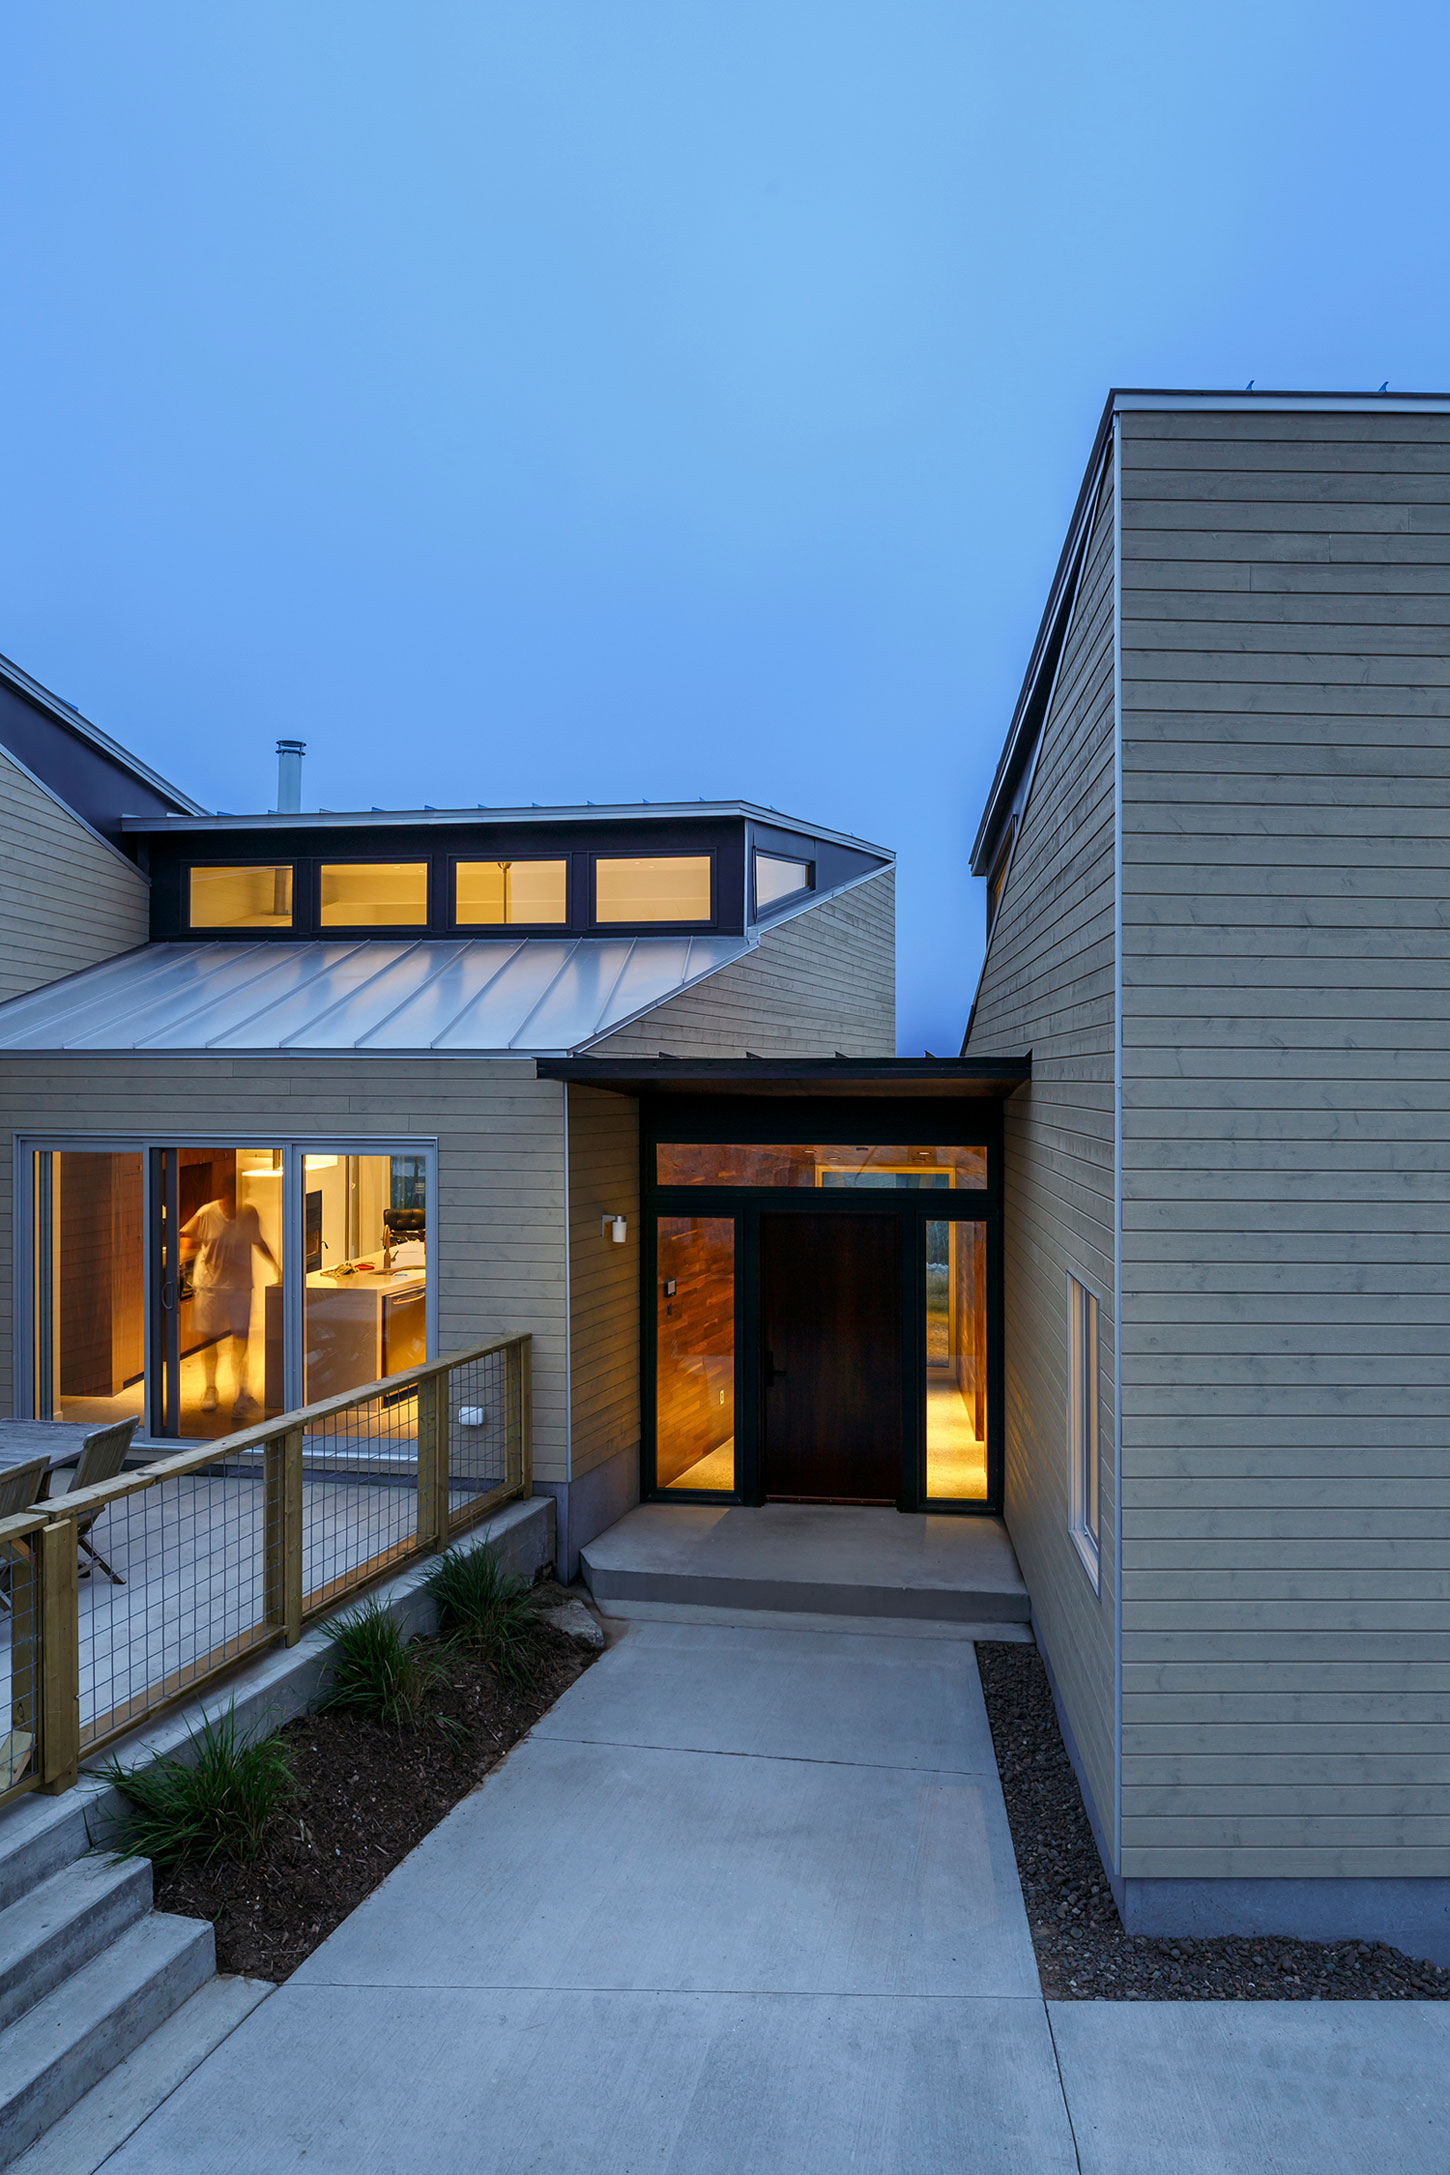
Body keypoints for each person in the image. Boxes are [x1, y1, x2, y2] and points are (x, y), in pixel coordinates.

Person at [179, 1179, 278, 1419]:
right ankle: (210, 1388)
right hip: (211, 1286)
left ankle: (242, 1394)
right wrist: (182, 1263)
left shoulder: (248, 1214)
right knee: (209, 1339)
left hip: (240, 1286)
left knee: (240, 1339)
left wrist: (276, 1265)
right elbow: (186, 1234)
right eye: (229, 1194)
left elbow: (258, 1241)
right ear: (223, 1193)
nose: (232, 1199)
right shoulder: (207, 1213)